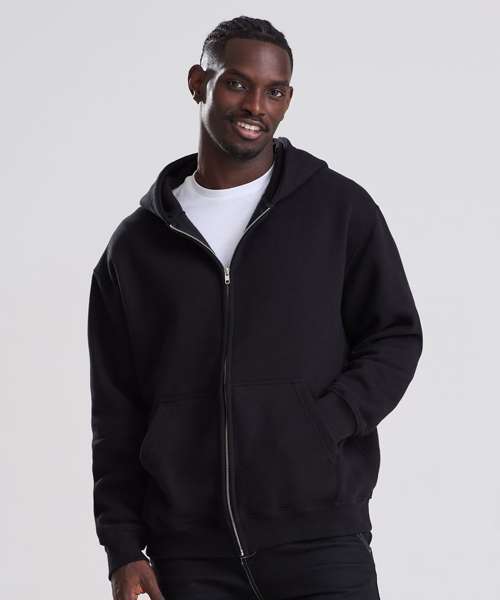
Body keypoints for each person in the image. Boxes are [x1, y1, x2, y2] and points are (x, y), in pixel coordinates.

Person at [87, 15, 423, 600]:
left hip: (321, 541)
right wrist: (122, 545)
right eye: (237, 83)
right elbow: (116, 408)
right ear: (199, 83)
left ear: (288, 100)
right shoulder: (136, 247)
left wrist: (326, 421)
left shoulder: (338, 209)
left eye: (275, 91)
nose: (255, 106)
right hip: (189, 556)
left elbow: (394, 336)